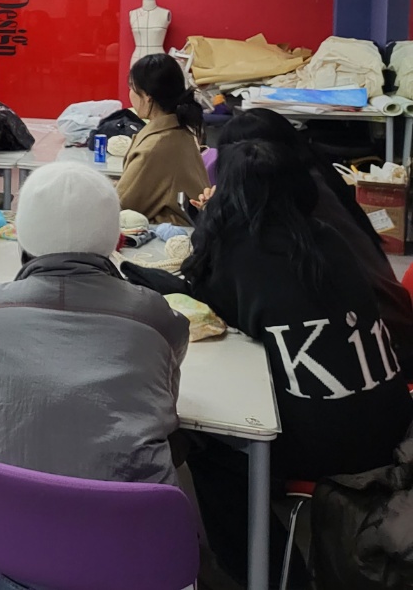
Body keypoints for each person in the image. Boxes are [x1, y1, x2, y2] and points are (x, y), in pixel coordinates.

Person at [0, 160, 189, 590]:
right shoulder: (155, 317)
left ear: (21, 233)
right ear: (116, 238)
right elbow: (167, 383)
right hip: (128, 565)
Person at [177, 140, 413, 587]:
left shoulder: (238, 252)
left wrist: (207, 226)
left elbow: (213, 314)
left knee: (209, 448)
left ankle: (263, 572)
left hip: (335, 447)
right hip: (393, 421)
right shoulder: (326, 237)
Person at [207, 108, 413, 374]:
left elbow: (244, 283)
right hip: (387, 321)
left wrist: (214, 216)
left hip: (382, 340)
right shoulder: (313, 179)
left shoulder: (295, 206)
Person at [115, 53, 208, 226]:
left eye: (132, 88)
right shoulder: (179, 131)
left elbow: (121, 206)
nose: (130, 94)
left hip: (169, 233)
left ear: (147, 97)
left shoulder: (155, 147)